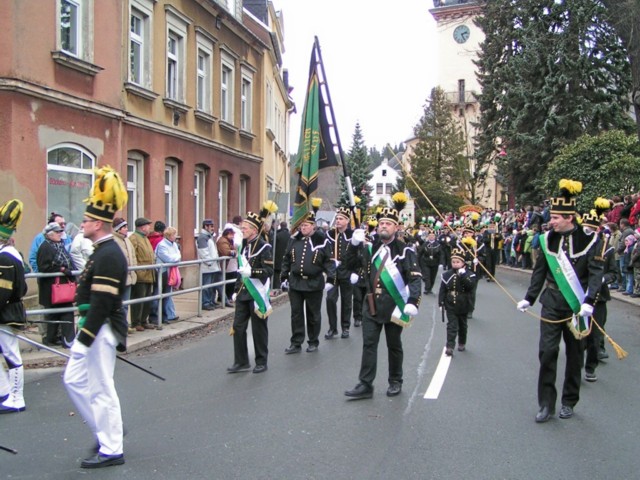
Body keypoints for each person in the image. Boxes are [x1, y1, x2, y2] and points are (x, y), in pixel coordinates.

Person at [517, 179, 604, 423]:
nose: (551, 221)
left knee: (575, 354)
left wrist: (589, 301)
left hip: (577, 306)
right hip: (552, 302)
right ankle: (546, 403)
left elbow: (597, 274)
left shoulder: (590, 240)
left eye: (555, 217)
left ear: (569, 218)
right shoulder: (547, 240)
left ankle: (569, 400)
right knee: (547, 351)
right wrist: (529, 298)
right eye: (551, 217)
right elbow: (540, 272)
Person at [63, 166, 129, 468]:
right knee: (74, 380)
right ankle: (107, 430)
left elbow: (101, 304)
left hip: (101, 328)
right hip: (94, 327)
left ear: (99, 224)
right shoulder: (101, 250)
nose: (83, 223)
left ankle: (112, 446)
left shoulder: (109, 254)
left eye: (87, 220)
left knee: (102, 387)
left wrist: (84, 339)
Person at [344, 193, 422, 399]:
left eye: (388, 223)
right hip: (371, 305)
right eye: (381, 223)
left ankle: (395, 380)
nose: (383, 226)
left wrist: (413, 301)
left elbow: (414, 278)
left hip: (394, 306)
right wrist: (353, 245)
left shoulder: (405, 251)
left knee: (394, 345)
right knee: (369, 344)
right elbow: (348, 264)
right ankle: (365, 384)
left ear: (396, 227)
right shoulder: (370, 247)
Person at [280, 201, 336, 354]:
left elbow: (328, 262)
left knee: (313, 314)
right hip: (296, 282)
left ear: (313, 226)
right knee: (296, 314)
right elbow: (286, 259)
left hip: (313, 283)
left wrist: (331, 279)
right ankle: (296, 342)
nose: (303, 228)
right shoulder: (294, 240)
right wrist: (284, 277)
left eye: (306, 225)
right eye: (301, 225)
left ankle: (313, 341)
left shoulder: (322, 241)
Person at [227, 210, 274, 374]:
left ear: (255, 229)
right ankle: (241, 361)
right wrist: (235, 290)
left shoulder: (264, 247)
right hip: (242, 293)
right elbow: (240, 272)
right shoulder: (243, 246)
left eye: (246, 227)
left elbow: (269, 271)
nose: (243, 229)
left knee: (258, 329)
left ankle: (261, 361)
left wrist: (253, 273)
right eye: (242, 227)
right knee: (238, 327)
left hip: (256, 294)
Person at [0, 199, 28, 414]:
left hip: (6, 313)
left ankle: (16, 397)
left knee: (11, 355)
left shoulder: (5, 258)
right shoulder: (12, 255)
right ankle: (4, 390)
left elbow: (3, 292)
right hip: (8, 310)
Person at [581, 205, 615, 382]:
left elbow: (613, 273)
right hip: (579, 296)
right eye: (586, 228)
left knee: (595, 336)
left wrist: (602, 279)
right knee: (578, 333)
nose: (589, 231)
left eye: (593, 229)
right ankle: (576, 362)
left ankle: (590, 367)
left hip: (598, 299)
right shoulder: (578, 248)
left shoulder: (607, 249)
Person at [37, 221, 77, 348]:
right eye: (57, 232)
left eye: (61, 231)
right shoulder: (45, 247)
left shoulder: (59, 245)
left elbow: (69, 261)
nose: (60, 234)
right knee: (63, 312)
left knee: (60, 312)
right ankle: (65, 340)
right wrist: (61, 270)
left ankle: (55, 339)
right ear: (49, 234)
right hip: (53, 288)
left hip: (62, 287)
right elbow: (44, 267)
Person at [438, 247, 476, 356]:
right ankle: (450, 346)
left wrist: (463, 275)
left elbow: (470, 286)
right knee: (451, 325)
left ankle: (462, 342)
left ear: (463, 263)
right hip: (450, 303)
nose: (455, 264)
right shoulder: (447, 275)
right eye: (453, 262)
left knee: (462, 325)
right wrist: (441, 302)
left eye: (458, 262)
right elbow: (443, 289)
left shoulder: (469, 274)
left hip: (463, 303)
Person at [325, 206, 355, 339]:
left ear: (347, 221)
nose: (338, 221)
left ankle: (345, 327)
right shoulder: (330, 234)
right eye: (337, 218)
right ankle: (332, 328)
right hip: (333, 271)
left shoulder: (353, 235)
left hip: (347, 270)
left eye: (341, 219)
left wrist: (355, 271)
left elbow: (358, 255)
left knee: (346, 300)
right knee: (330, 299)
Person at [128, 218, 156, 331]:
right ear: (142, 227)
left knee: (147, 299)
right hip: (140, 275)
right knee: (138, 299)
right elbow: (132, 256)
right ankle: (136, 322)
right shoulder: (134, 238)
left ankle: (144, 320)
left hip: (149, 273)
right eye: (148, 225)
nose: (149, 228)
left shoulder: (145, 238)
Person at [112, 217, 137, 333]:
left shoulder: (127, 240)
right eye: (124, 227)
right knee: (119, 304)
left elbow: (133, 256)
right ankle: (118, 326)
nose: (127, 229)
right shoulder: (113, 241)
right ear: (118, 229)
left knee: (126, 304)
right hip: (119, 278)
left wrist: (134, 269)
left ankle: (124, 325)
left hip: (130, 277)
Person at [155, 226, 181, 323]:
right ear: (169, 235)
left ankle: (170, 314)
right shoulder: (162, 245)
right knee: (161, 294)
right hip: (162, 272)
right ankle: (161, 316)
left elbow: (178, 255)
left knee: (168, 294)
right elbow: (168, 259)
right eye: (174, 234)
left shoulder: (174, 244)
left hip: (170, 271)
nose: (176, 236)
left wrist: (176, 258)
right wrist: (176, 258)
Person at [197, 219, 223, 310]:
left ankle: (211, 301)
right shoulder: (203, 238)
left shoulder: (208, 237)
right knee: (207, 286)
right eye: (211, 226)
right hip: (208, 267)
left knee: (211, 286)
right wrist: (210, 262)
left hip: (211, 266)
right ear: (206, 227)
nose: (213, 228)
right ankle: (205, 303)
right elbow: (203, 252)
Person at [216, 227, 237, 305]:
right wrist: (233, 252)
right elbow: (226, 252)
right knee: (221, 282)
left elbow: (233, 249)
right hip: (221, 265)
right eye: (231, 235)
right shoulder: (223, 241)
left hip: (225, 265)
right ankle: (223, 299)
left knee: (223, 282)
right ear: (227, 234)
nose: (233, 236)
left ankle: (224, 298)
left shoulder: (228, 241)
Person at [417, 230, 442, 294]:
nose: (431, 237)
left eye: (433, 236)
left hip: (435, 263)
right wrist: (417, 261)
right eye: (430, 236)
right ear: (428, 236)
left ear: (435, 237)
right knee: (427, 275)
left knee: (432, 277)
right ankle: (427, 288)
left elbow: (441, 254)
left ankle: (430, 288)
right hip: (425, 262)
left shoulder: (438, 245)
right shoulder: (425, 244)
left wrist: (441, 263)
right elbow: (420, 253)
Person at [272, 221, 290, 289]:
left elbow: (273, 246)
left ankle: (277, 287)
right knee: (285, 272)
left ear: (280, 226)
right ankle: (285, 286)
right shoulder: (290, 236)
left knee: (277, 274)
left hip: (277, 257)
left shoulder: (277, 235)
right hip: (286, 257)